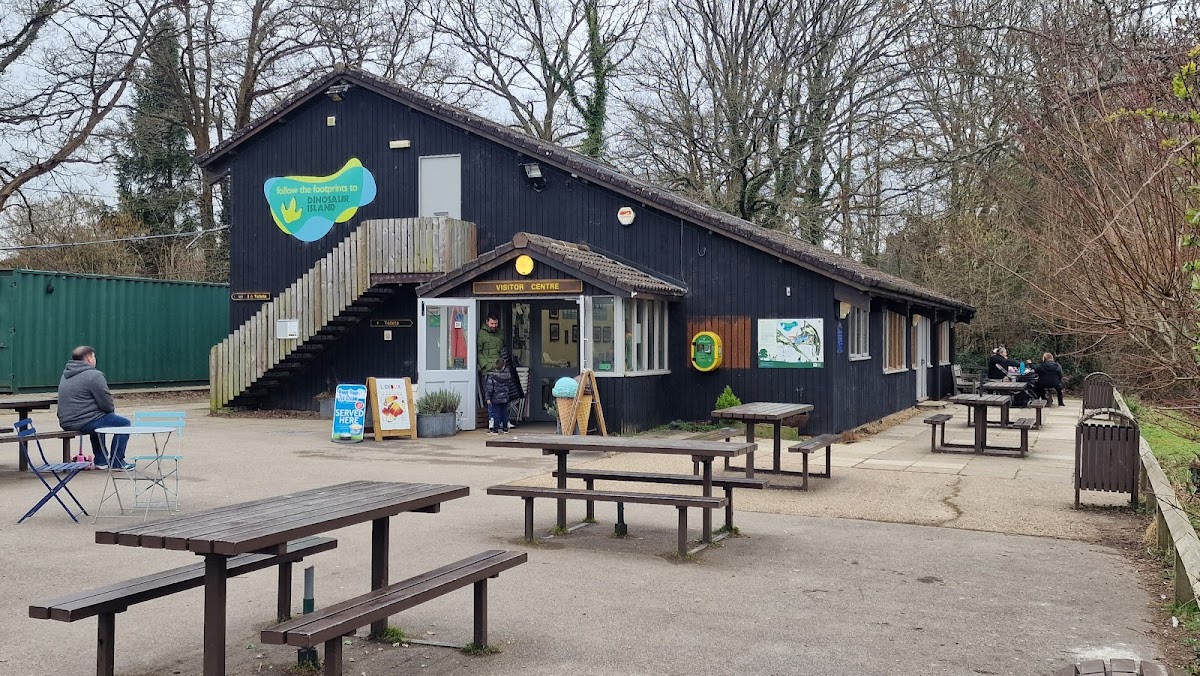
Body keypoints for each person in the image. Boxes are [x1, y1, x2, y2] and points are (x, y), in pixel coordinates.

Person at [57, 346, 132, 470]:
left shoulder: (66, 375)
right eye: (94, 356)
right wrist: (110, 412)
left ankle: (101, 461)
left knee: (98, 419)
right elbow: (106, 402)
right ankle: (117, 462)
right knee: (124, 423)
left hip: (66, 421)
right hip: (83, 421)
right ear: (89, 359)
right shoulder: (94, 375)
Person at [483, 358, 512, 434]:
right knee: (505, 413)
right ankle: (505, 428)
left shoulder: (492, 376)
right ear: (504, 366)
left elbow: (489, 388)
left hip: (495, 397)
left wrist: (488, 398)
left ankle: (495, 429)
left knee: (496, 413)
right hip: (505, 397)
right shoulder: (507, 376)